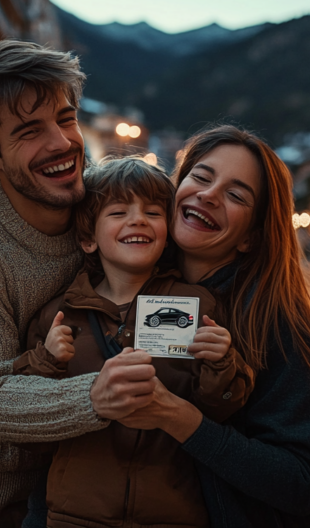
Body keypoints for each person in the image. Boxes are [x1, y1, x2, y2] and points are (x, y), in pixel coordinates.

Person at [0, 40, 158, 527]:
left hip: (98, 487)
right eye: (30, 131)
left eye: (66, 118)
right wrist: (97, 396)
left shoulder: (108, 208)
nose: (62, 142)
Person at [104, 125, 310, 527]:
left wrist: (183, 420)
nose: (210, 195)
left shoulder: (275, 318)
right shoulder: (120, 283)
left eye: (236, 195)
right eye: (200, 176)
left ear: (250, 236)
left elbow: (306, 482)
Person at [13, 157, 255, 527]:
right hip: (74, 516)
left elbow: (220, 412)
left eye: (154, 212)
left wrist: (221, 362)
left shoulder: (197, 305)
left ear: (168, 232)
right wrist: (46, 362)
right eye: (119, 211)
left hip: (174, 515)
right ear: (88, 239)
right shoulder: (58, 316)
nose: (138, 219)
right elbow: (30, 432)